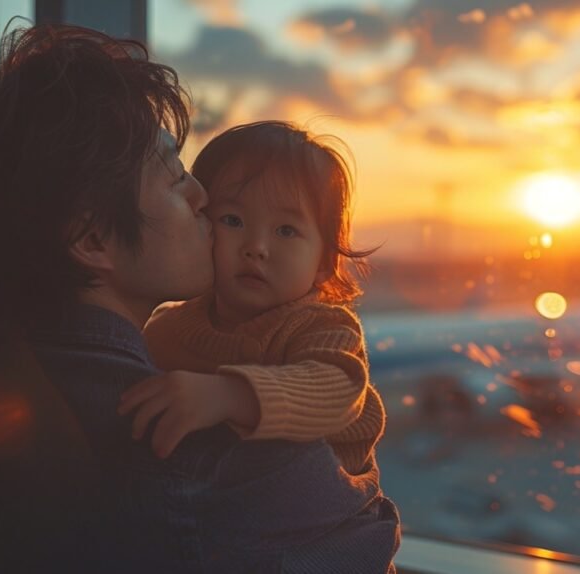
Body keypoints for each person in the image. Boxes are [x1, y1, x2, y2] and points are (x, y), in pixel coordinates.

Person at [0, 24, 398, 573]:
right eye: (174, 179)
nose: (202, 197)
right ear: (93, 239)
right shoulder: (202, 461)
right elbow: (367, 545)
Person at [120, 121, 388, 478]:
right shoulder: (167, 329)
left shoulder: (322, 326)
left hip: (321, 519)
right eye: (233, 220)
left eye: (286, 230)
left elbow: (339, 391)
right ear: (201, 226)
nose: (256, 248)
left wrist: (228, 395)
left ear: (325, 263)